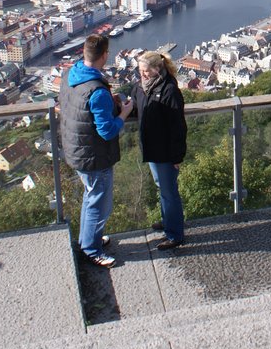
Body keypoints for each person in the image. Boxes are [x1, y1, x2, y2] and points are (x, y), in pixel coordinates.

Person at [59, 34, 132, 268]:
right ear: (105, 55)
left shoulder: (70, 74)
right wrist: (124, 113)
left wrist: (107, 101)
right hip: (94, 156)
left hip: (76, 148)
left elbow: (79, 108)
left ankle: (88, 239)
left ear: (84, 52)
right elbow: (107, 131)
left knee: (90, 197)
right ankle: (91, 250)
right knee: (99, 203)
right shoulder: (97, 91)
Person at [132, 49, 187, 250]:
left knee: (169, 192)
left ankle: (175, 234)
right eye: (140, 70)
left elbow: (178, 126)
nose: (142, 74)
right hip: (151, 148)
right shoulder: (140, 87)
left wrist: (177, 156)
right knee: (162, 187)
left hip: (166, 151)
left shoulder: (169, 90)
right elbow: (137, 108)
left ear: (157, 69)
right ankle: (168, 222)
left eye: (146, 71)